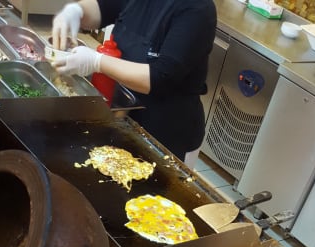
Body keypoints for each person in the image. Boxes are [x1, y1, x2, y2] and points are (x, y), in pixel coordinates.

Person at [52, 0, 217, 167]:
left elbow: (159, 77)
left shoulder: (197, 9)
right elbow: (102, 8)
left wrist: (97, 62)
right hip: (124, 115)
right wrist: (77, 11)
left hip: (166, 132)